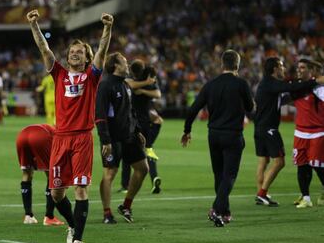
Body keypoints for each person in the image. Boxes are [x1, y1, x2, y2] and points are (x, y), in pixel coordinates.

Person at [27, 9, 113, 243]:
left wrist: (107, 28)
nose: (74, 54)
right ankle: (72, 226)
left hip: (82, 139)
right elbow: (45, 50)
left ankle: (78, 240)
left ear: (86, 58)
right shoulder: (59, 74)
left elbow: (103, 51)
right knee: (55, 193)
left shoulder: (91, 76)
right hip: (60, 138)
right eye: (71, 52)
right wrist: (34, 25)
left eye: (79, 52)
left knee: (81, 189)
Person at [181, 49, 254, 227]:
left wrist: (187, 130)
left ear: (222, 64)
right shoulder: (241, 84)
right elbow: (250, 108)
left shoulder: (210, 85)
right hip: (233, 135)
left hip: (213, 135)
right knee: (229, 175)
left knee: (218, 175)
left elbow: (193, 108)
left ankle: (224, 212)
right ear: (237, 65)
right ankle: (216, 209)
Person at [254, 57, 324, 206]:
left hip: (260, 128)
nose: (284, 68)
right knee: (279, 162)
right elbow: (291, 88)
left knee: (263, 162)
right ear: (275, 69)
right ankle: (262, 193)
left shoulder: (265, 84)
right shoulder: (272, 83)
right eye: (281, 66)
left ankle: (260, 193)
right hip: (269, 129)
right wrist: (315, 81)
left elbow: (289, 94)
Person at [95, 52, 149, 224]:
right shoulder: (105, 85)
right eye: (124, 62)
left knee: (143, 168)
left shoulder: (125, 85)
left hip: (129, 136)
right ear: (116, 66)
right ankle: (106, 213)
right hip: (113, 138)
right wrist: (105, 140)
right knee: (110, 173)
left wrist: (138, 130)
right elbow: (100, 115)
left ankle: (126, 205)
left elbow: (131, 110)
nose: (128, 64)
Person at [120, 60, 163, 194]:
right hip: (144, 123)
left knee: (128, 153)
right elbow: (157, 94)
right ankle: (154, 177)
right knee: (148, 151)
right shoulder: (143, 82)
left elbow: (156, 94)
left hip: (133, 123)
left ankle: (125, 184)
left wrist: (142, 90)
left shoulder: (132, 82)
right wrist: (147, 85)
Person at [291, 59, 324, 208]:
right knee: (302, 165)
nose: (299, 70)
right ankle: (306, 198)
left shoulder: (319, 88)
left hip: (317, 132)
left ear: (310, 71)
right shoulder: (295, 87)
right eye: (298, 67)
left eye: (302, 67)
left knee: (317, 166)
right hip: (300, 133)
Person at [16, 124, 64, 226]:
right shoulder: (62, 135)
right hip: (40, 136)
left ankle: (28, 216)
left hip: (22, 134)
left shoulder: (54, 128)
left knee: (27, 173)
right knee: (51, 174)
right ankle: (49, 217)